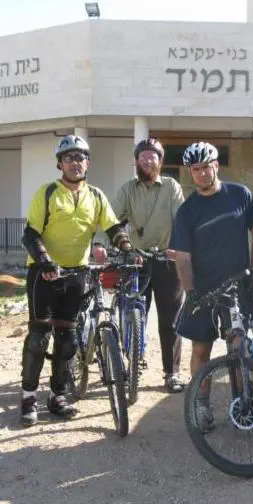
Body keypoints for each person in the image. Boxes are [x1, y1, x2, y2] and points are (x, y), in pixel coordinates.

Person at [21, 135, 136, 426]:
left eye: (80, 157)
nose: (75, 162)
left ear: (88, 163)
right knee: (38, 339)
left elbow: (112, 227)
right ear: (60, 164)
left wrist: (126, 247)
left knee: (68, 340)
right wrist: (45, 260)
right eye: (69, 158)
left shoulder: (95, 196)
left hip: (76, 274)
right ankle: (28, 396)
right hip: (44, 274)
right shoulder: (47, 192)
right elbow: (30, 234)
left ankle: (57, 396)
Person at [172, 141, 253, 431]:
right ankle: (202, 406)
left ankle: (242, 400)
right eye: (195, 169)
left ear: (216, 165)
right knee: (201, 350)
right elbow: (182, 258)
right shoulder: (187, 211)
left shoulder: (240, 195)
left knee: (237, 348)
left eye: (206, 167)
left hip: (238, 287)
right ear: (191, 172)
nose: (201, 173)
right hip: (204, 291)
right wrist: (191, 292)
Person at [112, 137, 186, 392]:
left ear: (160, 161)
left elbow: (181, 218)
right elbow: (112, 219)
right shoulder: (127, 189)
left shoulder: (171, 186)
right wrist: (107, 243)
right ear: (136, 162)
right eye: (142, 156)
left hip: (166, 260)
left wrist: (180, 248)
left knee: (170, 320)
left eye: (152, 156)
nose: (147, 160)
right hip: (136, 260)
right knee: (131, 316)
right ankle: (132, 364)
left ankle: (171, 373)